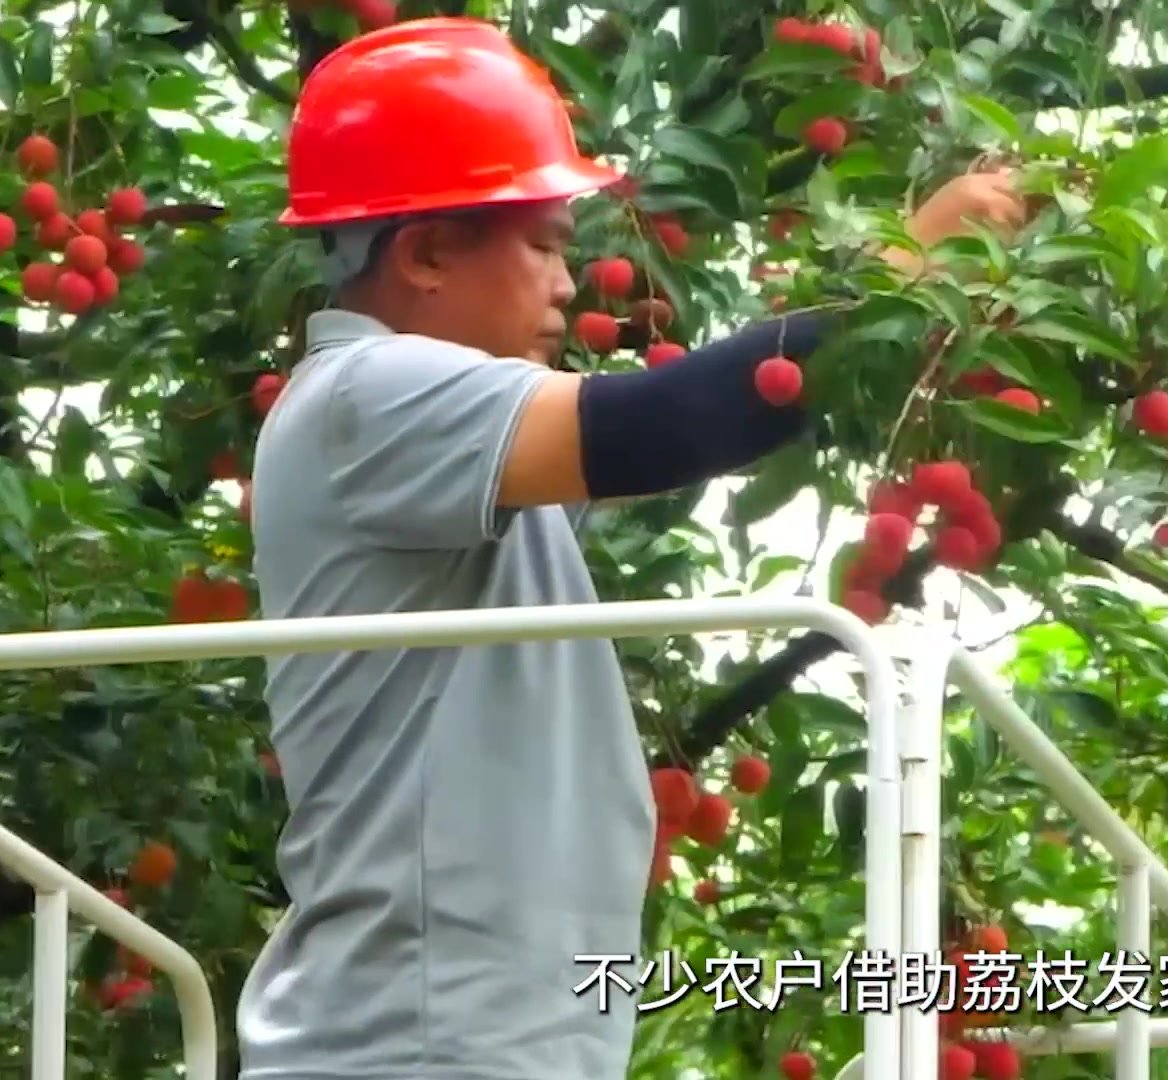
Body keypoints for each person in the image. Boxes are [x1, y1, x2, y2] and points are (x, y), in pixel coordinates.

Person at [239, 16, 1026, 1080]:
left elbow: (687, 413)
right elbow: (674, 422)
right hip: (415, 1039)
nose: (570, 282)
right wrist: (908, 270)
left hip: (481, 1035)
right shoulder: (367, 396)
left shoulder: (436, 439)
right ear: (424, 252)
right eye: (545, 243)